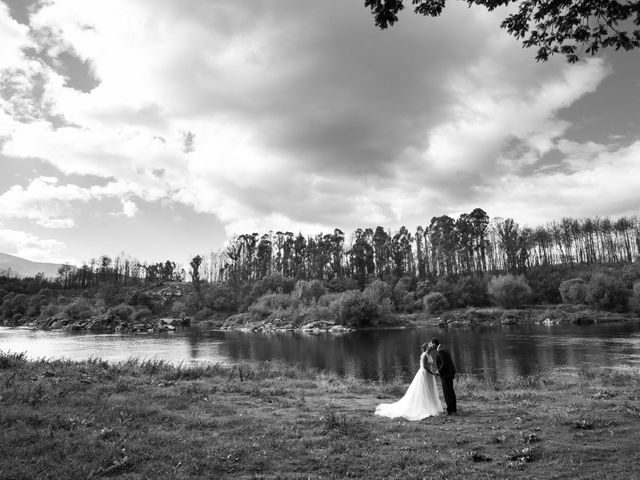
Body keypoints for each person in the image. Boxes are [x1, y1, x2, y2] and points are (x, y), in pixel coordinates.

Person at [374, 343, 442, 421]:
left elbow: (430, 366)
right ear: (428, 347)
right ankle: (422, 406)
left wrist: (434, 372)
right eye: (430, 345)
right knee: (423, 390)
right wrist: (433, 373)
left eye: (432, 346)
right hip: (424, 374)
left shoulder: (429, 354)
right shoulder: (424, 355)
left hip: (429, 376)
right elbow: (425, 367)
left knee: (429, 390)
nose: (431, 347)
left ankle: (431, 405)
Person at [430, 337, 457, 415]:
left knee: (447, 392)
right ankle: (453, 409)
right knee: (450, 392)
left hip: (446, 374)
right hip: (449, 373)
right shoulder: (443, 348)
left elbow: (444, 363)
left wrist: (439, 371)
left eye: (431, 344)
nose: (431, 346)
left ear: (434, 344)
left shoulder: (440, 351)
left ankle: (450, 411)